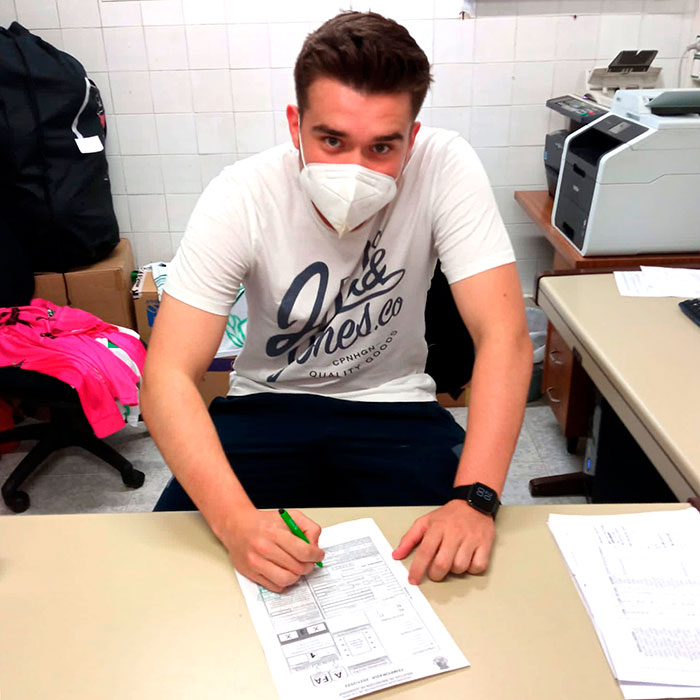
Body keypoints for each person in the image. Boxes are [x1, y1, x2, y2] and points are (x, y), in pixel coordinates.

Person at [141, 11, 532, 593]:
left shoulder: (444, 165)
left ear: (412, 139)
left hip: (395, 406)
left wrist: (474, 499)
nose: (355, 171)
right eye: (332, 141)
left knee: (463, 576)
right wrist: (235, 522)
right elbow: (167, 374)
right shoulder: (242, 195)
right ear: (295, 125)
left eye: (382, 147)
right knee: (174, 580)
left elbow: (504, 336)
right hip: (266, 406)